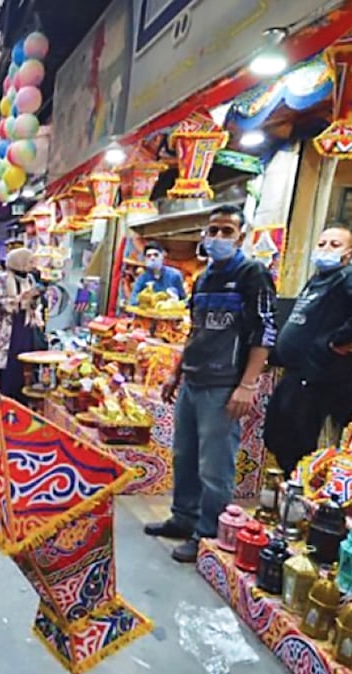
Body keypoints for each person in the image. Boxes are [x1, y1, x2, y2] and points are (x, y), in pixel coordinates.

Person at [145, 205, 276, 564]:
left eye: (226, 231)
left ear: (242, 236)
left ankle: (206, 534)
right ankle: (182, 518)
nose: (217, 238)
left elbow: (265, 332)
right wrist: (176, 371)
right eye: (213, 230)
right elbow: (195, 329)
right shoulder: (202, 278)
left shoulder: (253, 274)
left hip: (224, 383)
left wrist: (248, 384)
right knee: (184, 455)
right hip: (193, 378)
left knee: (214, 466)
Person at [265, 225, 352, 475]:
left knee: (300, 446)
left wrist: (341, 337)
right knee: (277, 435)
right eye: (322, 243)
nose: (326, 249)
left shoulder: (350, 276)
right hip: (295, 373)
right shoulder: (320, 280)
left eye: (335, 245)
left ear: (348, 254)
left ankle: (300, 498)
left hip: (317, 377)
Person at [0, 248, 45, 401]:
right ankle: (4, 397)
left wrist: (33, 300)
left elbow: (35, 304)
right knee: (8, 363)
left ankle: (22, 395)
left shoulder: (30, 279)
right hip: (8, 328)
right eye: (30, 261)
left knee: (24, 362)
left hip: (25, 326)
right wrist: (19, 300)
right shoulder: (2, 279)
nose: (32, 265)